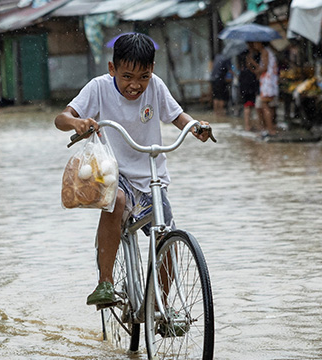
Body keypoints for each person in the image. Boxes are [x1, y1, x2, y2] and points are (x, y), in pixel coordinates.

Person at [54, 33, 211, 308]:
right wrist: (76, 123)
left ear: (152, 71)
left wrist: (195, 126)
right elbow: (61, 118)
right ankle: (105, 282)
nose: (135, 85)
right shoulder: (98, 88)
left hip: (152, 176)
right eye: (127, 77)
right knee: (117, 203)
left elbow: (176, 115)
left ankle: (159, 309)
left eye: (144, 77)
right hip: (113, 171)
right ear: (112, 68)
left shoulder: (157, 87)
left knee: (167, 238)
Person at [247, 41, 278, 136]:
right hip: (269, 82)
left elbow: (264, 68)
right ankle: (269, 128)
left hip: (267, 83)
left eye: (256, 43)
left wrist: (253, 63)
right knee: (266, 106)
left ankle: (270, 129)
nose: (255, 45)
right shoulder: (267, 51)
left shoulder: (265, 51)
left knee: (265, 106)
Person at [238, 45, 259, 131]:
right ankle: (248, 126)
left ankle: (248, 125)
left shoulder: (242, 65)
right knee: (249, 106)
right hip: (249, 86)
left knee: (248, 106)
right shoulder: (249, 61)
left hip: (245, 86)